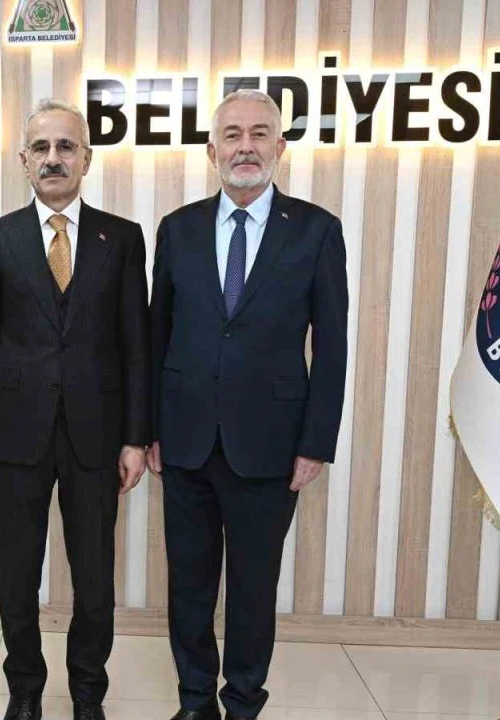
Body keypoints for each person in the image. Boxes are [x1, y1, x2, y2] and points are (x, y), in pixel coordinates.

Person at [148, 89, 349, 720]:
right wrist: (148, 428)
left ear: (280, 147)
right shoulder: (177, 229)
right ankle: (194, 702)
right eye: (232, 135)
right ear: (212, 151)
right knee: (189, 585)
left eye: (260, 133)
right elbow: (157, 336)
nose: (246, 147)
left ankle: (241, 703)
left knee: (253, 589)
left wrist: (316, 443)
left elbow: (333, 346)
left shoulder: (317, 230)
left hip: (272, 443)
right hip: (185, 440)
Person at [0, 98, 150, 720]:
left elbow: (136, 347)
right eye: (41, 147)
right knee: (19, 575)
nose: (53, 158)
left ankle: (88, 694)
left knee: (94, 579)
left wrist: (135, 437)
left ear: (86, 158)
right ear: (23, 160)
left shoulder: (122, 238)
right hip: (15, 437)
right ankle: (25, 690)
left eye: (66, 146)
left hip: (97, 437)